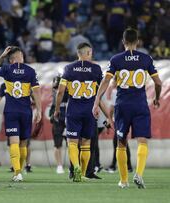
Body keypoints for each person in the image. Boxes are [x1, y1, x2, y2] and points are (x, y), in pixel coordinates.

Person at [93, 28, 162, 189]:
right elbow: (158, 82)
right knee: (142, 141)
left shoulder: (116, 60)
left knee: (121, 143)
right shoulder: (146, 59)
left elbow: (106, 81)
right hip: (140, 104)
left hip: (122, 105)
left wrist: (96, 100)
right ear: (137, 41)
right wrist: (157, 98)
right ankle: (138, 174)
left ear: (123, 42)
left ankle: (124, 181)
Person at [54, 42, 111, 182]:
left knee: (72, 142)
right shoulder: (96, 69)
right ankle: (84, 172)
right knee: (86, 143)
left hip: (73, 109)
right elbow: (99, 96)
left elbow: (60, 91)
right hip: (90, 110)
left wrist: (56, 109)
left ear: (77, 53)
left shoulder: (68, 68)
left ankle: (76, 167)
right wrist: (109, 116)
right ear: (89, 52)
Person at [0, 46, 42, 182]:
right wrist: (40, 111)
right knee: (23, 143)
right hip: (26, 111)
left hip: (11, 111)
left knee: (14, 142)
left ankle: (17, 173)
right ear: (21, 57)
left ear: (11, 60)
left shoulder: (7, 69)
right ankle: (21, 170)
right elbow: (36, 92)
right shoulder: (31, 71)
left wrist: (1, 56)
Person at [49, 75, 68, 174]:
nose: (57, 89)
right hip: (58, 120)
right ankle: (59, 165)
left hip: (69, 119)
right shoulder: (54, 95)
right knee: (57, 144)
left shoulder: (69, 92)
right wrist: (51, 116)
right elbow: (52, 108)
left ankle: (73, 165)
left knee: (72, 143)